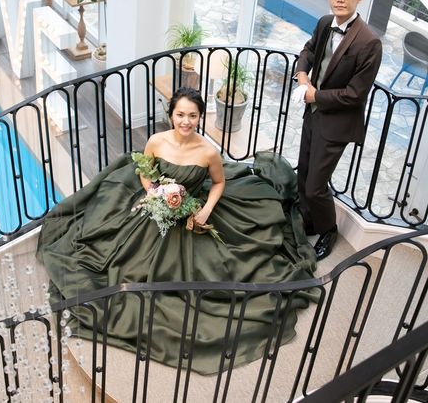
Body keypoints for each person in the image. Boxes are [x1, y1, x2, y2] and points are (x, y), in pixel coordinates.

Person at [37, 87, 317, 375]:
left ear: (200, 117)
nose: (186, 121)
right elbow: (145, 172)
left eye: (193, 115)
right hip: (157, 208)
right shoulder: (156, 141)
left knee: (215, 269)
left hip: (192, 210)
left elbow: (219, 183)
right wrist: (154, 192)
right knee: (123, 263)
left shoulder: (208, 151)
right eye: (180, 114)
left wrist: (206, 210)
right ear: (171, 114)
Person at [294, 0, 383, 261]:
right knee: (303, 173)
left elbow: (356, 95)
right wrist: (303, 76)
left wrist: (315, 95)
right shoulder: (324, 22)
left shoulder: (370, 42)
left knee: (316, 186)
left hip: (337, 124)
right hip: (312, 113)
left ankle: (328, 230)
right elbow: (308, 51)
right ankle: (308, 220)